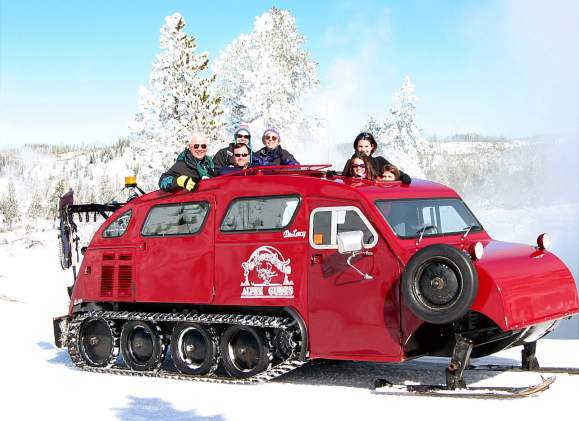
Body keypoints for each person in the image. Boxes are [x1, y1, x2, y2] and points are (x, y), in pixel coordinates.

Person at [342, 132, 412, 184]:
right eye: (360, 146)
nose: (363, 149)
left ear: (372, 146)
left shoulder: (379, 161)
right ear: (356, 147)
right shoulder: (351, 162)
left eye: (366, 146)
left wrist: (403, 176)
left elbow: (394, 171)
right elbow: (343, 179)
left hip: (373, 197)